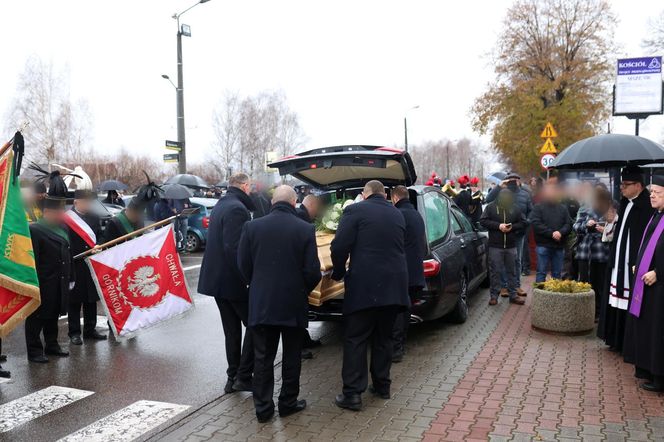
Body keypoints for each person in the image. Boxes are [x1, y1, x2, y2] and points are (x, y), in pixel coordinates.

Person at [238, 185, 321, 422]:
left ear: (273, 202)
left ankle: (263, 409)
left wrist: (258, 286)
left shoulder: (252, 227)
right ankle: (288, 403)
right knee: (292, 356)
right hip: (293, 302)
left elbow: (243, 266)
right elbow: (313, 271)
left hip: (262, 302)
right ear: (294, 203)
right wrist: (300, 289)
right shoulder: (305, 229)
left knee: (263, 357)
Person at [331, 180, 409, 411]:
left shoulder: (355, 210)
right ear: (385, 195)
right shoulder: (397, 215)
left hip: (365, 286)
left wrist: (338, 272)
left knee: (356, 338)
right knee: (384, 337)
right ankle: (382, 386)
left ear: (364, 195)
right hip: (395, 286)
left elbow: (339, 246)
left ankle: (353, 395)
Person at [198, 173, 256, 394]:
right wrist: (248, 279)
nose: (250, 190)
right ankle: (243, 376)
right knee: (254, 325)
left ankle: (232, 378)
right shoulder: (236, 209)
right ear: (243, 185)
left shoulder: (223, 204)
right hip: (232, 282)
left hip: (218, 281)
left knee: (231, 331)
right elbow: (235, 249)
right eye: (249, 186)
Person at [598, 166, 653, 353]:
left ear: (638, 185)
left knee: (629, 298)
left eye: (626, 184)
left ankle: (627, 343)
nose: (621, 188)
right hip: (619, 260)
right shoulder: (624, 202)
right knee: (616, 298)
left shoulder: (646, 206)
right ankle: (615, 338)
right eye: (621, 184)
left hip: (633, 264)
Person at [622, 173, 664, 391]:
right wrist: (640, 263)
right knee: (648, 329)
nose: (653, 196)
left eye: (658, 192)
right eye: (652, 192)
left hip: (660, 286)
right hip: (648, 285)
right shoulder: (656, 215)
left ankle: (660, 378)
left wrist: (658, 271)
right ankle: (647, 369)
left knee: (659, 331)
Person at [25, 196, 74, 363]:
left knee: (53, 314)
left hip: (59, 280)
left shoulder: (63, 228)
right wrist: (33, 283)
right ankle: (34, 351)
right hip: (43, 281)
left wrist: (71, 276)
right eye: (57, 212)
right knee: (37, 317)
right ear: (46, 212)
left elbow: (69, 255)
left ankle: (52, 345)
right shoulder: (35, 230)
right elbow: (33, 259)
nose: (61, 215)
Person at [64, 189, 106, 345]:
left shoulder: (94, 217)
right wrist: (83, 251)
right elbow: (64, 242)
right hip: (74, 264)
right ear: (76, 202)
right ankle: (74, 332)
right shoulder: (66, 219)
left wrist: (99, 245)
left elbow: (100, 235)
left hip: (91, 264)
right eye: (85, 202)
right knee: (74, 301)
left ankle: (90, 329)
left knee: (91, 299)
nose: (88, 204)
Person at [390, 186, 426, 362]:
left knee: (397, 311)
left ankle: (396, 349)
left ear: (395, 198)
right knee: (404, 310)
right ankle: (400, 344)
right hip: (415, 272)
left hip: (401, 272)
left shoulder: (398, 215)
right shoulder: (416, 215)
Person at [486, 173, 532, 296]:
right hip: (500, 234)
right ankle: (504, 286)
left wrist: (526, 222)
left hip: (518, 233)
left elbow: (531, 211)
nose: (513, 182)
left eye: (515, 180)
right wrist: (499, 187)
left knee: (517, 261)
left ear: (519, 181)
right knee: (501, 261)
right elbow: (487, 200)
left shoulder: (525, 194)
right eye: (510, 180)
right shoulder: (500, 193)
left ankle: (516, 286)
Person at [480, 189, 526, 306]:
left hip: (511, 246)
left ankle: (513, 295)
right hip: (495, 246)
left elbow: (523, 222)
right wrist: (498, 226)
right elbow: (483, 221)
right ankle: (494, 296)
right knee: (495, 272)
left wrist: (512, 227)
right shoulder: (490, 207)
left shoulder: (515, 208)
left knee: (512, 271)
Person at [573, 186, 612, 319]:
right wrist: (586, 225)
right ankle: (584, 311)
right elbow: (576, 226)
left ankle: (599, 312)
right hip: (586, 251)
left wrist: (606, 229)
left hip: (603, 251)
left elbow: (617, 227)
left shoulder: (611, 209)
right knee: (584, 282)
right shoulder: (584, 208)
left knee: (600, 283)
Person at [296, 194, 323, 359]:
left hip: (299, 274)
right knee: (298, 313)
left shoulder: (301, 215)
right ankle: (299, 346)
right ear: (311, 205)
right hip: (299, 275)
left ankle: (304, 340)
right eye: (317, 208)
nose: (318, 212)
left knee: (301, 312)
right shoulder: (302, 219)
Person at [530, 183, 572, 282]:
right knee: (541, 272)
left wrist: (560, 232)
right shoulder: (538, 207)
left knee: (557, 273)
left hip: (559, 245)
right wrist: (551, 233)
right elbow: (536, 224)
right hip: (543, 245)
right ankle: (539, 296)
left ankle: (555, 297)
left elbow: (568, 224)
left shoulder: (563, 208)